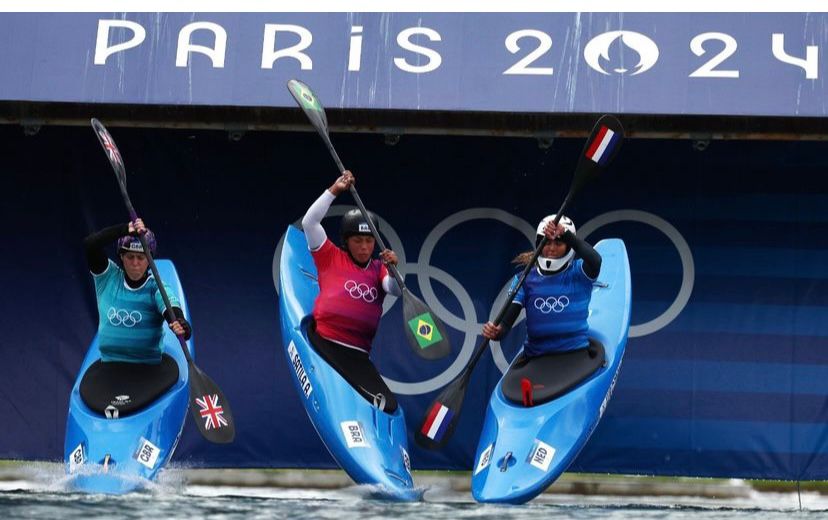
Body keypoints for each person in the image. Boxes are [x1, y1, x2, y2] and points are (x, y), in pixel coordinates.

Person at [301, 170, 402, 412]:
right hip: (324, 343)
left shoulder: (379, 269)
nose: (365, 247)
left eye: (369, 241)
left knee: (388, 406)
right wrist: (334, 190)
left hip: (356, 356)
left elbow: (395, 289)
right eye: (358, 240)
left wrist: (395, 269)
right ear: (346, 241)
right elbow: (309, 223)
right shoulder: (329, 256)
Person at [482, 214, 601, 357]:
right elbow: (506, 325)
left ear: (569, 246)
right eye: (547, 242)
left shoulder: (579, 272)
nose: (551, 248)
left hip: (575, 355)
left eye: (558, 243)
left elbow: (596, 260)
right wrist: (497, 332)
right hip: (537, 357)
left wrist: (566, 234)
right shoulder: (523, 279)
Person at [83, 218, 191, 364]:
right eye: (130, 256)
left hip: (147, 367)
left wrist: (180, 323)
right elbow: (91, 245)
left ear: (149, 259)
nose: (135, 263)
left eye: (140, 257)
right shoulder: (107, 277)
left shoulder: (156, 286)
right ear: (121, 256)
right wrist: (124, 229)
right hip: (111, 364)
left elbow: (171, 307)